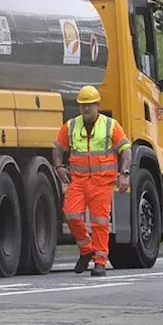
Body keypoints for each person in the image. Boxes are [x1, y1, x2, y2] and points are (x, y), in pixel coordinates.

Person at [52, 85, 131, 277]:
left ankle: (100, 262)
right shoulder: (71, 125)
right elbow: (57, 147)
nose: (86, 109)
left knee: (100, 222)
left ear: (97, 105)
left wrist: (125, 174)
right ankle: (86, 249)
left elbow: (125, 150)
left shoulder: (110, 125)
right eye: (82, 105)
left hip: (102, 183)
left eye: (89, 105)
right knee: (70, 215)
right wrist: (59, 167)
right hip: (78, 181)